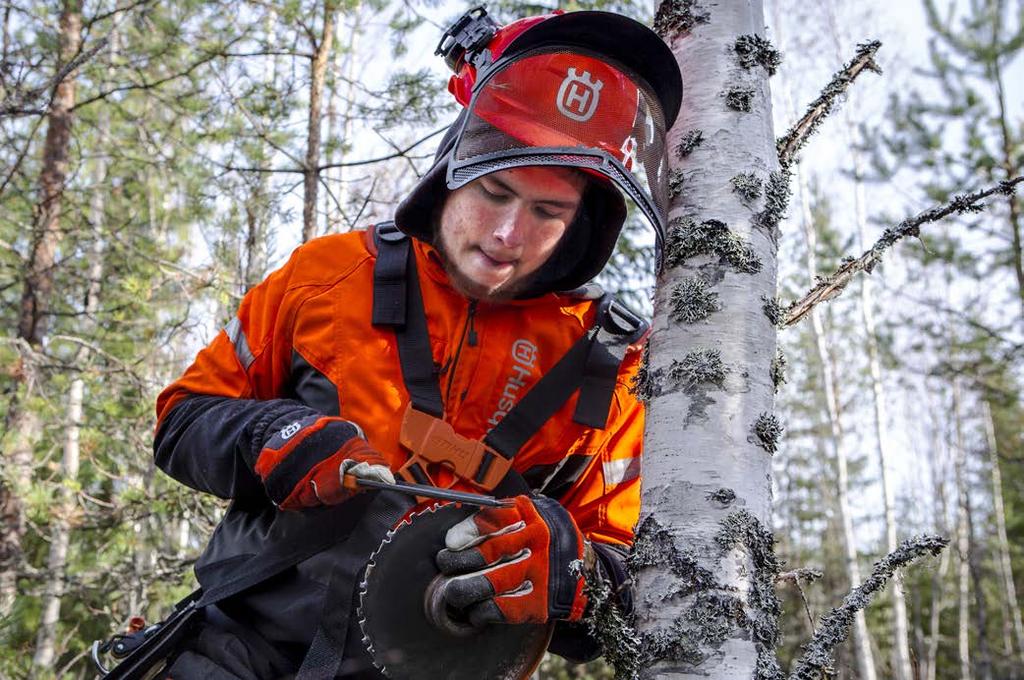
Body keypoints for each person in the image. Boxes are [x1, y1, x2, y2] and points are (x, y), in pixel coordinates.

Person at [151, 7, 682, 679]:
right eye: (496, 192)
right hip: (239, 654)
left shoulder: (611, 369)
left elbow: (631, 575)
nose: (506, 236)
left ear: (586, 227)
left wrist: (574, 574)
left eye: (548, 213)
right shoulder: (329, 277)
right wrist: (269, 437)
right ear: (454, 169)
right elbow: (181, 420)